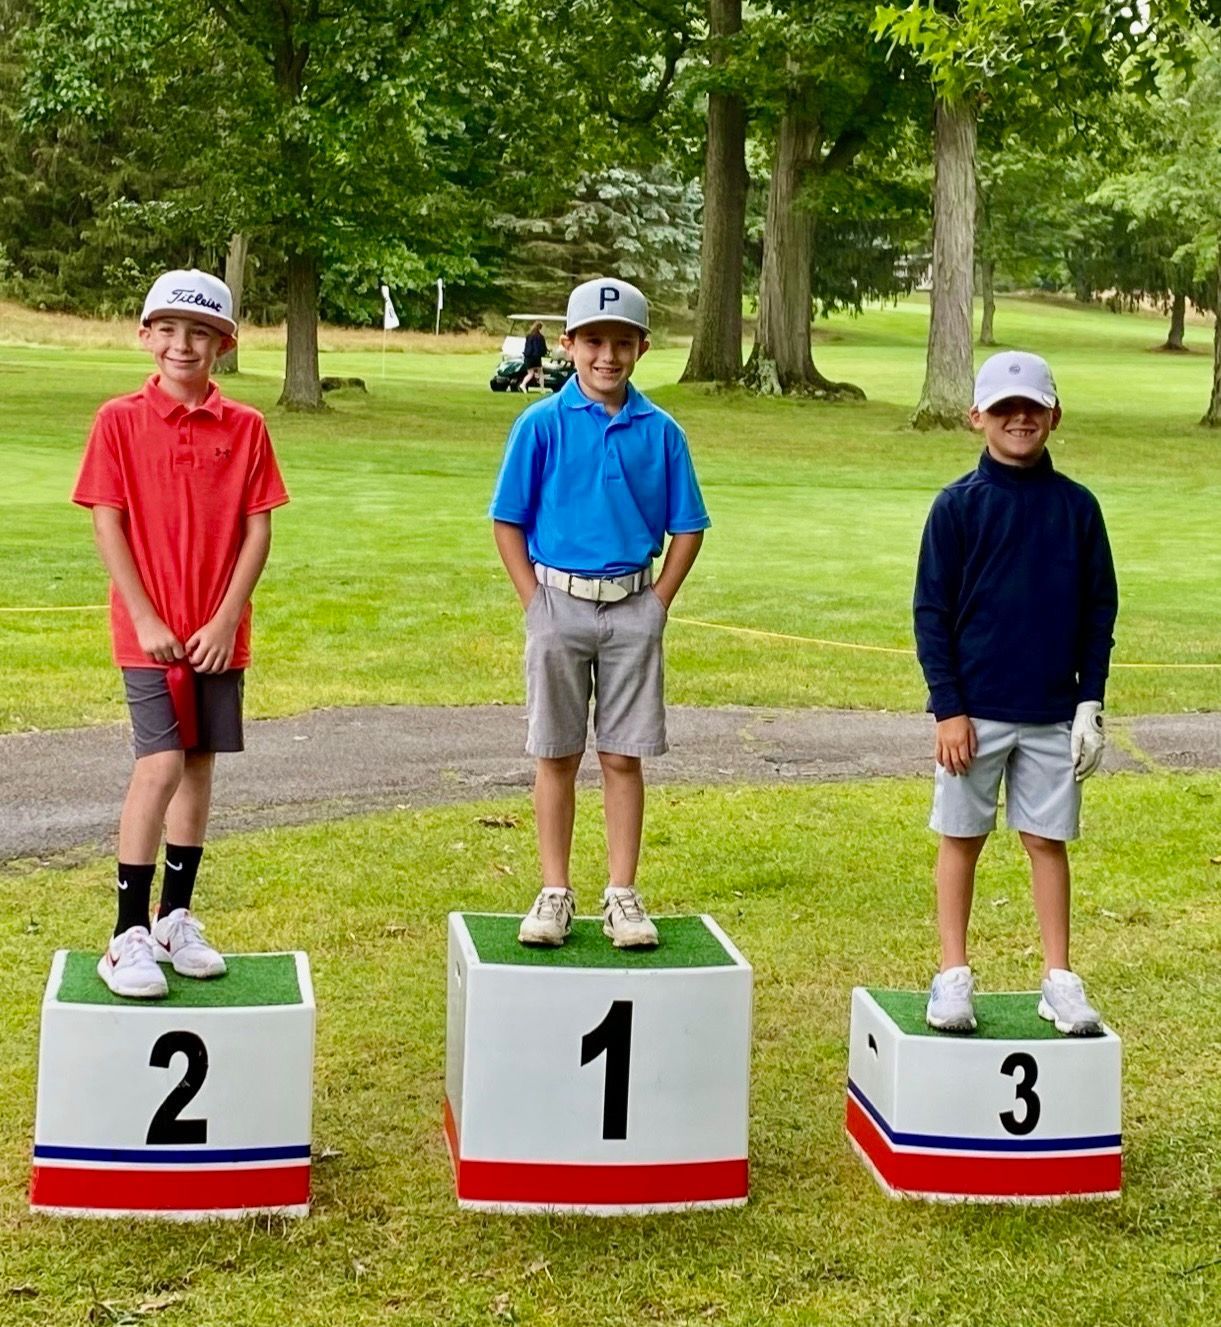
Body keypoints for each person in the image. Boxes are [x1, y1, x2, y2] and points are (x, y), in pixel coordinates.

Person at [72, 268, 289, 998]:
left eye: (199, 331)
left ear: (223, 344)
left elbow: (257, 528)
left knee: (197, 764)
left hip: (216, 633)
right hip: (150, 632)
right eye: (166, 328)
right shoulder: (118, 420)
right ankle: (126, 930)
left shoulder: (247, 427)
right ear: (144, 335)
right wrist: (143, 614)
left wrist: (226, 617)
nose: (181, 343)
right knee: (159, 764)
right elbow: (107, 519)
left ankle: (174, 917)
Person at [490, 277, 709, 949]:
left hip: (629, 607)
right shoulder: (540, 423)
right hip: (558, 603)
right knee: (555, 752)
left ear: (641, 348)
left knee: (621, 756)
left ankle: (621, 892)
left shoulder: (660, 431)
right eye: (592, 342)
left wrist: (657, 604)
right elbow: (507, 520)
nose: (605, 357)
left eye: (620, 344)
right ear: (567, 345)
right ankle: (554, 889)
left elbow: (688, 526)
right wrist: (537, 604)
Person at [914, 351, 1118, 1036]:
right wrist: (947, 707)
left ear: (1054, 415)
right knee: (961, 835)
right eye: (1004, 410)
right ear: (977, 417)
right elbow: (931, 613)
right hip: (971, 715)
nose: (1019, 419)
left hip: (1051, 712)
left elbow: (1098, 611)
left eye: (1031, 407)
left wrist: (1089, 702)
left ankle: (1058, 978)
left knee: (1044, 839)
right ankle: (951, 973)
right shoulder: (955, 508)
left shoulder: (1077, 509)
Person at [519, 320, 548, 393]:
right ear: (540, 328)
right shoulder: (540, 337)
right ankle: (542, 389)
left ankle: (523, 384)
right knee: (541, 372)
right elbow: (542, 348)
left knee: (530, 373)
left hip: (528, 357)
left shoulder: (529, 336)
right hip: (536, 358)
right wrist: (545, 353)